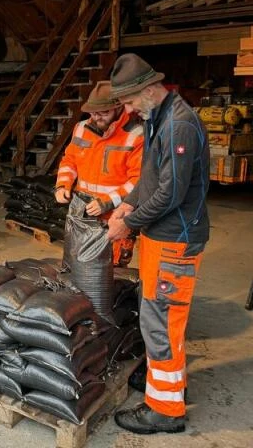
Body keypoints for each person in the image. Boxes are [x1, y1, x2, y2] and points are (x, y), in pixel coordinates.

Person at [106, 54, 209, 435]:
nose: (129, 110)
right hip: (159, 237)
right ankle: (165, 382)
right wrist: (127, 204)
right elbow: (151, 178)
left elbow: (171, 193)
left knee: (163, 322)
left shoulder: (178, 125)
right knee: (154, 313)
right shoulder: (157, 118)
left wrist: (128, 224)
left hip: (175, 240)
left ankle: (165, 410)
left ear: (150, 90)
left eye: (131, 102)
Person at [54, 80, 143, 266]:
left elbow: (139, 181)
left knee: (110, 271)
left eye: (104, 113)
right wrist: (63, 184)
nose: (97, 118)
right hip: (81, 210)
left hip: (115, 216)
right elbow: (69, 160)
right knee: (75, 264)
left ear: (119, 109)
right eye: (93, 113)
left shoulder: (136, 135)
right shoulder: (81, 128)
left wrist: (108, 201)